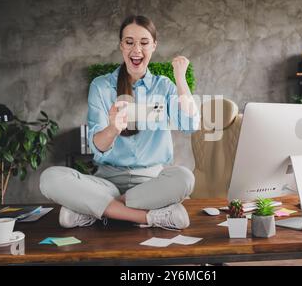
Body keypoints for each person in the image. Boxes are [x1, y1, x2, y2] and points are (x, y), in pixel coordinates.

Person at [40, 15, 200, 230]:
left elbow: (190, 125)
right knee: (50, 178)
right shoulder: (101, 86)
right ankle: (149, 217)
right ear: (121, 45)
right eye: (129, 42)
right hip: (107, 183)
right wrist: (113, 128)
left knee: (185, 178)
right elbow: (97, 146)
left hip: (151, 183)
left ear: (154, 45)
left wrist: (180, 80)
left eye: (144, 42)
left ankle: (97, 211)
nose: (136, 50)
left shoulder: (165, 86)